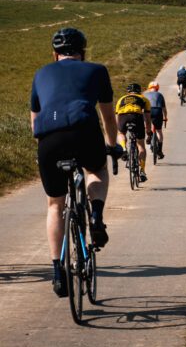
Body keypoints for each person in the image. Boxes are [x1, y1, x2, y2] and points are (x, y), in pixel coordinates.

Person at [30, 28, 121, 297]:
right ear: (83, 52)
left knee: (55, 204)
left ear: (54, 53)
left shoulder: (40, 73)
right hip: (84, 131)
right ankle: (96, 216)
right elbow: (107, 116)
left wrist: (46, 151)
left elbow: (35, 120)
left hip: (48, 140)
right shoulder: (97, 70)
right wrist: (113, 145)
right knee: (97, 171)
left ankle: (57, 270)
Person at [115, 83, 152, 183]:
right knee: (141, 145)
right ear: (139, 91)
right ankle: (142, 171)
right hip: (137, 117)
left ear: (128, 92)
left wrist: (119, 129)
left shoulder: (121, 99)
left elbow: (117, 117)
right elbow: (148, 119)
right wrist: (149, 132)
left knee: (121, 134)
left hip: (123, 117)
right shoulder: (144, 99)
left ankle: (123, 148)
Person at [144, 82, 167, 159]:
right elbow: (164, 109)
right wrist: (165, 117)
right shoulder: (160, 95)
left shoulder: (145, 95)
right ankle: (160, 150)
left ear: (149, 88)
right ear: (157, 88)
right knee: (159, 131)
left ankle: (149, 135)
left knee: (147, 124)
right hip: (157, 111)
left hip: (148, 111)